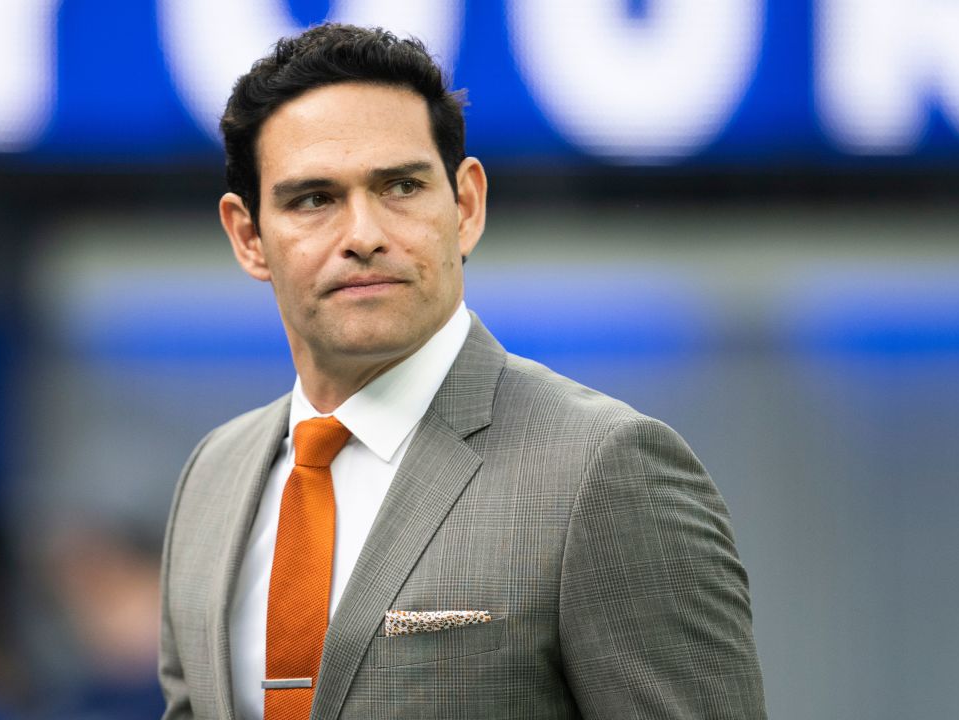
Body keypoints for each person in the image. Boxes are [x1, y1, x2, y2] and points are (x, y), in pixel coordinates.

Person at [159, 23, 766, 719]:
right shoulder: (214, 477)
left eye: (400, 187)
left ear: (466, 206)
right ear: (248, 237)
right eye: (314, 199)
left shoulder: (601, 470)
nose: (363, 235)